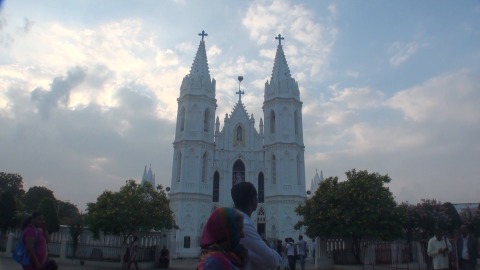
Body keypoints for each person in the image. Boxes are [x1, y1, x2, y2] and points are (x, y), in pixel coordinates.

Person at [231, 182, 282, 270]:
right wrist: (275, 253)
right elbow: (272, 260)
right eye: (256, 197)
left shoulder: (232, 221)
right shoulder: (243, 226)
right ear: (253, 200)